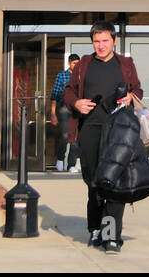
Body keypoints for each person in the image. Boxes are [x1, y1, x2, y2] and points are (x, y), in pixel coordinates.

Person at [62, 20, 143, 253]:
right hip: (90, 130)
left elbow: (137, 89)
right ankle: (95, 228)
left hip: (119, 131)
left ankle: (111, 236)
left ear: (114, 41)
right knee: (94, 182)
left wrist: (130, 96)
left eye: (105, 40)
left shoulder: (125, 64)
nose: (101, 45)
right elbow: (67, 92)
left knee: (115, 182)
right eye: (96, 41)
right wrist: (76, 102)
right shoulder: (84, 64)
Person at [49, 53, 81, 172]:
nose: (76, 65)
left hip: (77, 110)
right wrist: (53, 114)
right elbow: (54, 95)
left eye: (78, 63)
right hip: (64, 108)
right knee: (64, 135)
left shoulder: (81, 77)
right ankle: (60, 159)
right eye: (74, 63)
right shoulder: (62, 76)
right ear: (69, 63)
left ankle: (71, 164)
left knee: (75, 137)